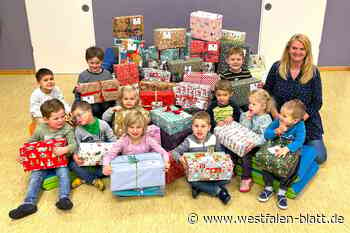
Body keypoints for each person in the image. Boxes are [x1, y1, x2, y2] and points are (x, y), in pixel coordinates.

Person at [263, 34, 327, 164]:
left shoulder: (313, 72)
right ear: (288, 49)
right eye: (294, 48)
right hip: (281, 119)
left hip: (305, 120)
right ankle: (292, 149)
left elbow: (317, 101)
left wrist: (299, 120)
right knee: (268, 143)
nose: (297, 52)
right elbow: (267, 93)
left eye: (302, 49)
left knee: (320, 157)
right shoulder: (277, 67)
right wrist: (275, 114)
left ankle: (294, 149)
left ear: (307, 52)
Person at [9, 99, 77, 220]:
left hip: (60, 161)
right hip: (42, 163)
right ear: (46, 119)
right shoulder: (40, 129)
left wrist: (65, 149)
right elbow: (30, 143)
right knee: (35, 177)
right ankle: (29, 203)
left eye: (63, 116)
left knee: (64, 174)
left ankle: (64, 198)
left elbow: (74, 145)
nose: (61, 120)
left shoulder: (67, 128)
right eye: (56, 118)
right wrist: (23, 155)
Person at [172, 111, 231, 204]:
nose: (199, 129)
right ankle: (218, 191)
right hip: (196, 173)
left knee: (227, 179)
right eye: (196, 126)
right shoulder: (189, 140)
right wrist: (180, 159)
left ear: (209, 128)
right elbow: (174, 152)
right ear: (192, 127)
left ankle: (201, 188)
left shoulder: (214, 138)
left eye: (203, 126)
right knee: (191, 180)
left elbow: (220, 153)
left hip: (212, 171)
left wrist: (225, 159)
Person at [257, 99, 306, 210]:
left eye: (284, 116)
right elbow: (266, 134)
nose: (280, 116)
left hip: (291, 148)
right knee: (265, 160)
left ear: (295, 120)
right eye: (280, 113)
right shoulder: (278, 121)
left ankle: (282, 191)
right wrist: (275, 131)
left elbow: (299, 141)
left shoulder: (300, 126)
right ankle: (268, 187)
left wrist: (288, 149)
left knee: (293, 168)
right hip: (276, 144)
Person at [102, 110, 170, 176]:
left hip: (145, 168)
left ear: (143, 128)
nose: (135, 130)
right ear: (126, 128)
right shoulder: (122, 140)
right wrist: (106, 165)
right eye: (131, 127)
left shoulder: (148, 139)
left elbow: (163, 152)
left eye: (138, 127)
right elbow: (109, 155)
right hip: (128, 170)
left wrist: (166, 162)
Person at [69, 101, 117, 190]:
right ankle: (92, 179)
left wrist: (113, 151)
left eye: (79, 115)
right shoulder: (78, 130)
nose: (77, 119)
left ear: (89, 111)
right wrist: (76, 156)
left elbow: (113, 140)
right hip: (88, 159)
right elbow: (77, 146)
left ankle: (84, 178)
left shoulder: (103, 124)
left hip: (103, 157)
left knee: (115, 165)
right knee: (71, 164)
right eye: (75, 117)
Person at [238, 89, 273, 192]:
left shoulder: (266, 119)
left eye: (254, 104)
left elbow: (264, 137)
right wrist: (247, 119)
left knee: (249, 153)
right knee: (241, 150)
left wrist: (254, 143)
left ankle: (247, 178)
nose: (250, 106)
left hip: (261, 144)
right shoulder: (246, 114)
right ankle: (241, 174)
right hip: (248, 141)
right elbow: (244, 130)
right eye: (249, 103)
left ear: (263, 106)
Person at [74, 46, 116, 119]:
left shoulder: (107, 74)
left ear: (102, 61)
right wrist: (78, 90)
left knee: (107, 106)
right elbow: (77, 94)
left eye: (97, 63)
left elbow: (112, 90)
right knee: (95, 108)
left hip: (105, 103)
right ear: (87, 61)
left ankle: (106, 122)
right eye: (91, 63)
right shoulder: (83, 75)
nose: (94, 65)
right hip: (91, 104)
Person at [29, 68, 70, 135]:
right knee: (40, 124)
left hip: (57, 114)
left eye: (51, 79)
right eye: (45, 80)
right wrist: (46, 119)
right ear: (39, 82)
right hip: (44, 116)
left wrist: (68, 111)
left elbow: (62, 101)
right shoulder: (35, 94)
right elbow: (35, 111)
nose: (49, 82)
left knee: (70, 117)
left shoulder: (56, 89)